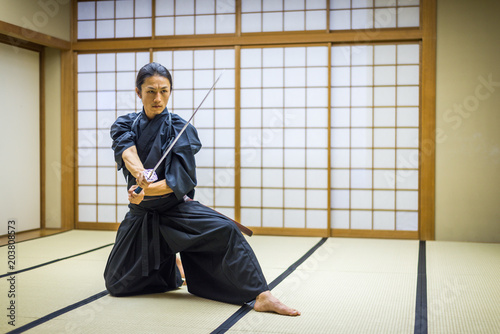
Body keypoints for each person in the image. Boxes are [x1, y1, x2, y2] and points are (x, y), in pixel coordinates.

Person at [103, 62, 300, 316]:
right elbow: (127, 152)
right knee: (117, 284)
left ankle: (261, 295)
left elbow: (178, 182)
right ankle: (172, 267)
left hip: (174, 210)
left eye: (164, 90)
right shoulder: (125, 124)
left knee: (226, 229)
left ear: (170, 91)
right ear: (138, 92)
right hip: (142, 214)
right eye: (151, 91)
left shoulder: (179, 129)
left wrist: (147, 191)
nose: (158, 98)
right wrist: (140, 175)